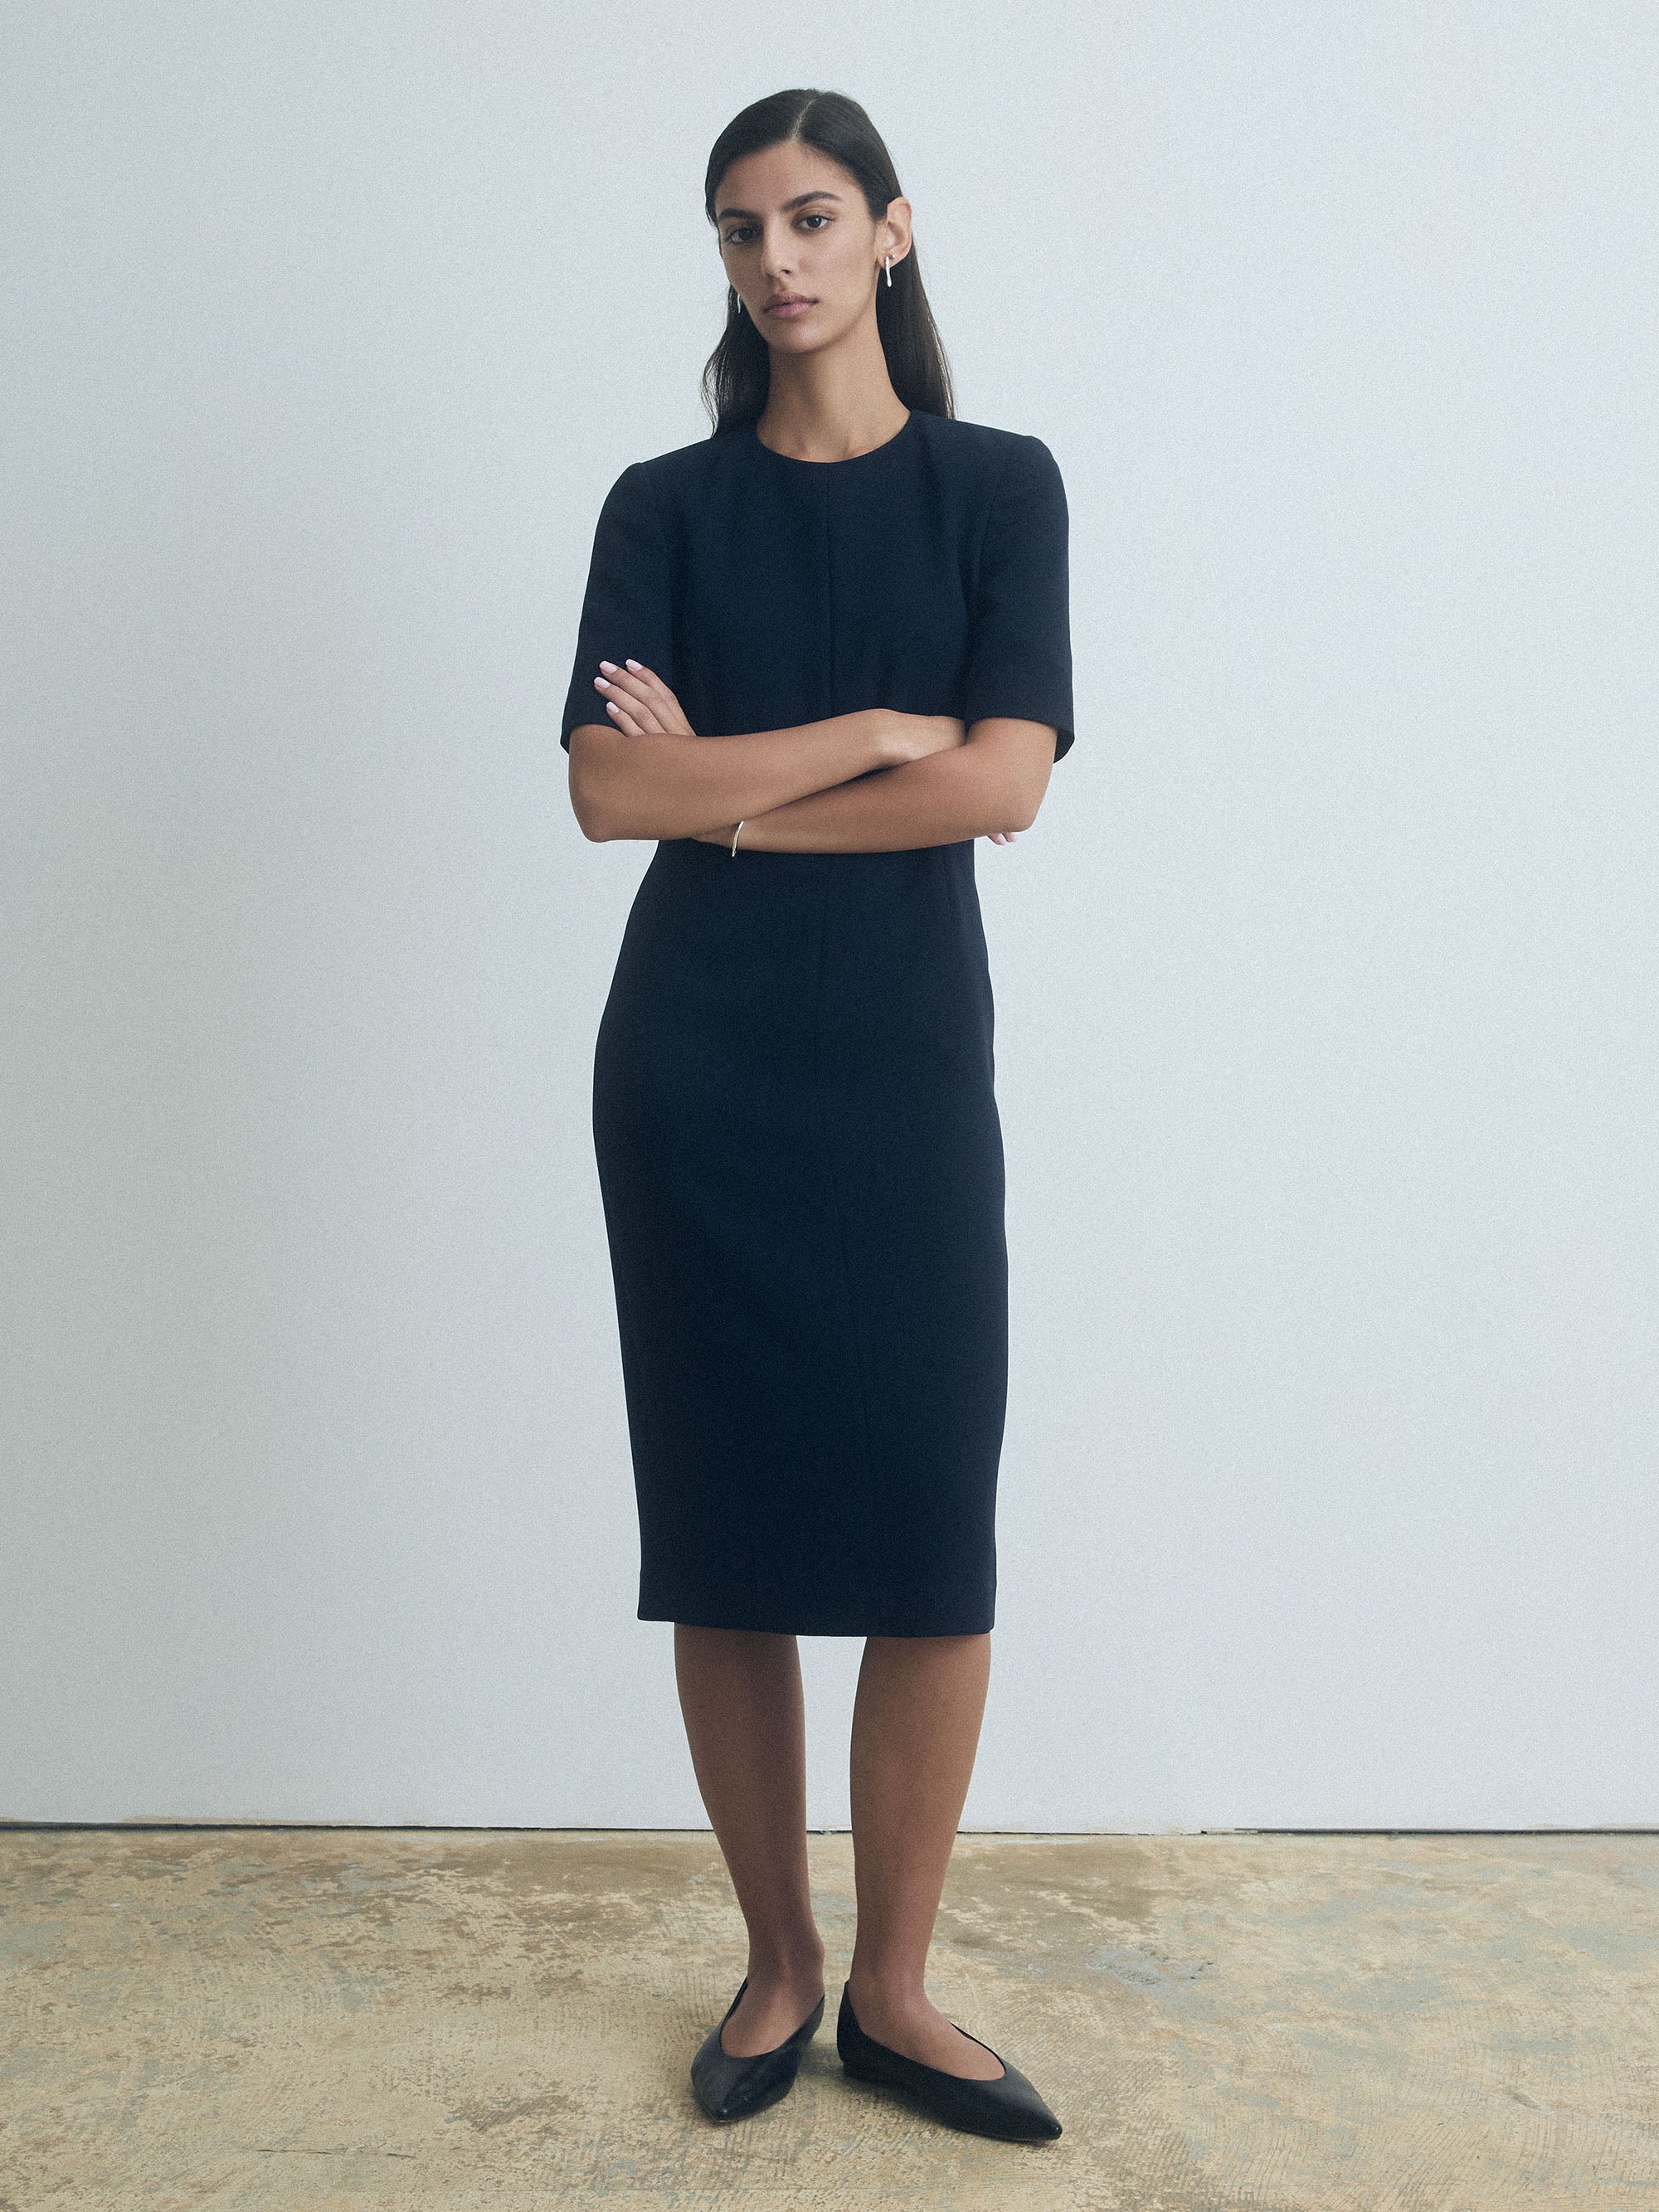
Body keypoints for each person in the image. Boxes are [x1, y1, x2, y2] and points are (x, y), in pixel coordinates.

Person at [560, 87, 1073, 2143]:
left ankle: (897, 1986)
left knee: (932, 1543)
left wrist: (739, 796)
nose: (774, 260)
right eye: (737, 229)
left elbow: (1006, 781)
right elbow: (607, 794)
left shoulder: (996, 488)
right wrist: (865, 730)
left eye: (810, 217)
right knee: (731, 1542)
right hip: (693, 1074)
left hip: (898, 1076)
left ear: (891, 230)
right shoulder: (661, 510)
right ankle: (777, 1964)